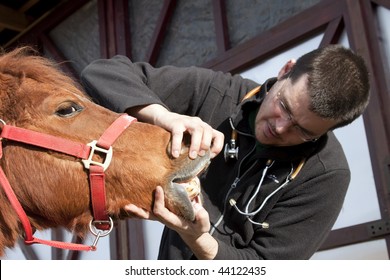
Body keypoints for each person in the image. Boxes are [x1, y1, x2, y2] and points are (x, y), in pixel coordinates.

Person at [80, 45, 370, 260]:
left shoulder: (326, 176)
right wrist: (164, 117)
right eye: (284, 107)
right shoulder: (220, 93)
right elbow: (102, 72)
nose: (281, 128)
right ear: (285, 70)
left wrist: (200, 240)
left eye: (303, 131)